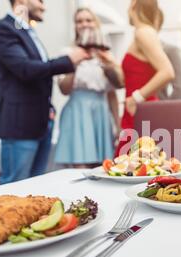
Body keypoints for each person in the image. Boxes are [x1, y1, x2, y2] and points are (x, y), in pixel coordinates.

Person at [0, 0, 90, 184]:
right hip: (19, 125)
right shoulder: (2, 30)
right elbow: (25, 69)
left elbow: (39, 72)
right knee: (13, 188)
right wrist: (69, 60)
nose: (44, 6)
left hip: (42, 124)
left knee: (35, 186)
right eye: (40, 1)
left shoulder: (28, 33)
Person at [103, 0, 175, 156]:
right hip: (136, 111)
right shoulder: (144, 33)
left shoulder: (143, 32)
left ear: (134, 4)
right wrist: (112, 63)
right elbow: (133, 77)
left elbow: (167, 71)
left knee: (130, 168)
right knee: (131, 168)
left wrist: (136, 97)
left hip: (140, 111)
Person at [54, 8, 122, 168]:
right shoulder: (68, 53)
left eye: (88, 20)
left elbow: (113, 92)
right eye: (79, 21)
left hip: (101, 113)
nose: (84, 24)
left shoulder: (107, 55)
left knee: (102, 168)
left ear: (96, 24)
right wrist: (74, 63)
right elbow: (64, 89)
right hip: (77, 113)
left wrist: (118, 126)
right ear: (75, 26)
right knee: (79, 169)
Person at [156, 10, 181, 100]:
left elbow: (180, 89)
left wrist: (165, 108)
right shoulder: (136, 50)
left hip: (157, 109)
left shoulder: (170, 50)